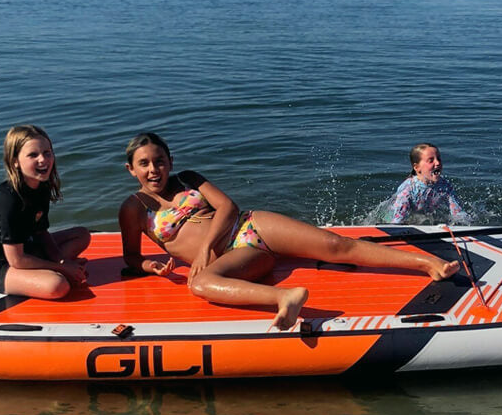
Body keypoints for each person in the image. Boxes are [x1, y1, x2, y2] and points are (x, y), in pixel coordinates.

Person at [118, 133, 459, 329]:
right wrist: (150, 266)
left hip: (250, 225)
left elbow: (228, 208)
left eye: (159, 160)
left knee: (334, 244)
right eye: (144, 163)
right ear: (131, 169)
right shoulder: (133, 209)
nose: (153, 169)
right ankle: (285, 297)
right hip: (238, 258)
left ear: (170, 161)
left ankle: (423, 263)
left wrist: (206, 247)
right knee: (201, 284)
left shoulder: (188, 179)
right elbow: (131, 256)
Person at [0, 124, 91, 300]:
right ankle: (43, 274)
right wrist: (62, 269)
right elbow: (17, 260)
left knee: (82, 235)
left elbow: (41, 232)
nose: (43, 159)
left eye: (47, 152)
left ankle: (44, 270)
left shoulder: (40, 186)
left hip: (26, 248)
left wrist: (61, 261)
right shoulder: (8, 198)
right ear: (15, 161)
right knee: (57, 286)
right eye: (33, 155)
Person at [385, 143, 472, 225]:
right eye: (431, 160)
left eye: (439, 158)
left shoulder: (445, 186)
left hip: (422, 216)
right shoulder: (408, 189)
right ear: (417, 167)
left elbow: (457, 212)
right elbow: (397, 220)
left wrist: (467, 223)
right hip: (391, 217)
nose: (437, 163)